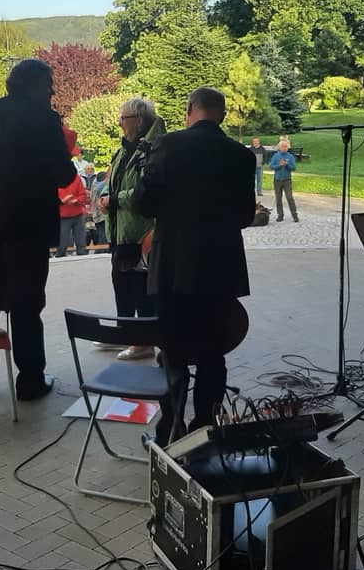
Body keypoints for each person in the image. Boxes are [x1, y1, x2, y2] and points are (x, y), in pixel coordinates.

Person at [0, 58, 76, 402]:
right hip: (29, 225)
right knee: (27, 302)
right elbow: (65, 175)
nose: (51, 92)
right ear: (34, 87)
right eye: (48, 86)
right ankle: (30, 381)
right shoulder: (45, 120)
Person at [135, 87, 256, 445]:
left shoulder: (168, 145)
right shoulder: (241, 156)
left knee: (172, 352)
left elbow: (143, 203)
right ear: (222, 114)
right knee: (212, 354)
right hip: (220, 267)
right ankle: (206, 430)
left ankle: (170, 432)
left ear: (190, 110)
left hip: (173, 266)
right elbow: (245, 216)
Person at [102, 97, 165, 361]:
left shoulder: (152, 149)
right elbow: (111, 181)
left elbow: (145, 190)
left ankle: (143, 342)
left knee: (141, 287)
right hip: (120, 229)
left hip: (141, 231)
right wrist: (104, 196)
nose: (119, 123)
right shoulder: (123, 149)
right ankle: (125, 333)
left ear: (138, 121)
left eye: (123, 118)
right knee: (122, 282)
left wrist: (114, 200)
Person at [55, 151, 89, 258]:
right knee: (62, 244)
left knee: (81, 243)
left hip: (77, 214)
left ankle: (82, 258)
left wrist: (75, 201)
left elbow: (83, 195)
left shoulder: (76, 178)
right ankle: (60, 257)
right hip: (62, 216)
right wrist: (63, 201)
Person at [268, 140, 298, 223]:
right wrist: (279, 165)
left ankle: (294, 215)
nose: (284, 148)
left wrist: (287, 165)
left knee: (289, 197)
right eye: (283, 146)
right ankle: (280, 215)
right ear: (279, 147)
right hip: (277, 180)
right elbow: (271, 166)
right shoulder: (276, 156)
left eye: (286, 146)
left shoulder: (290, 156)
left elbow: (294, 168)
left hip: (287, 180)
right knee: (278, 198)